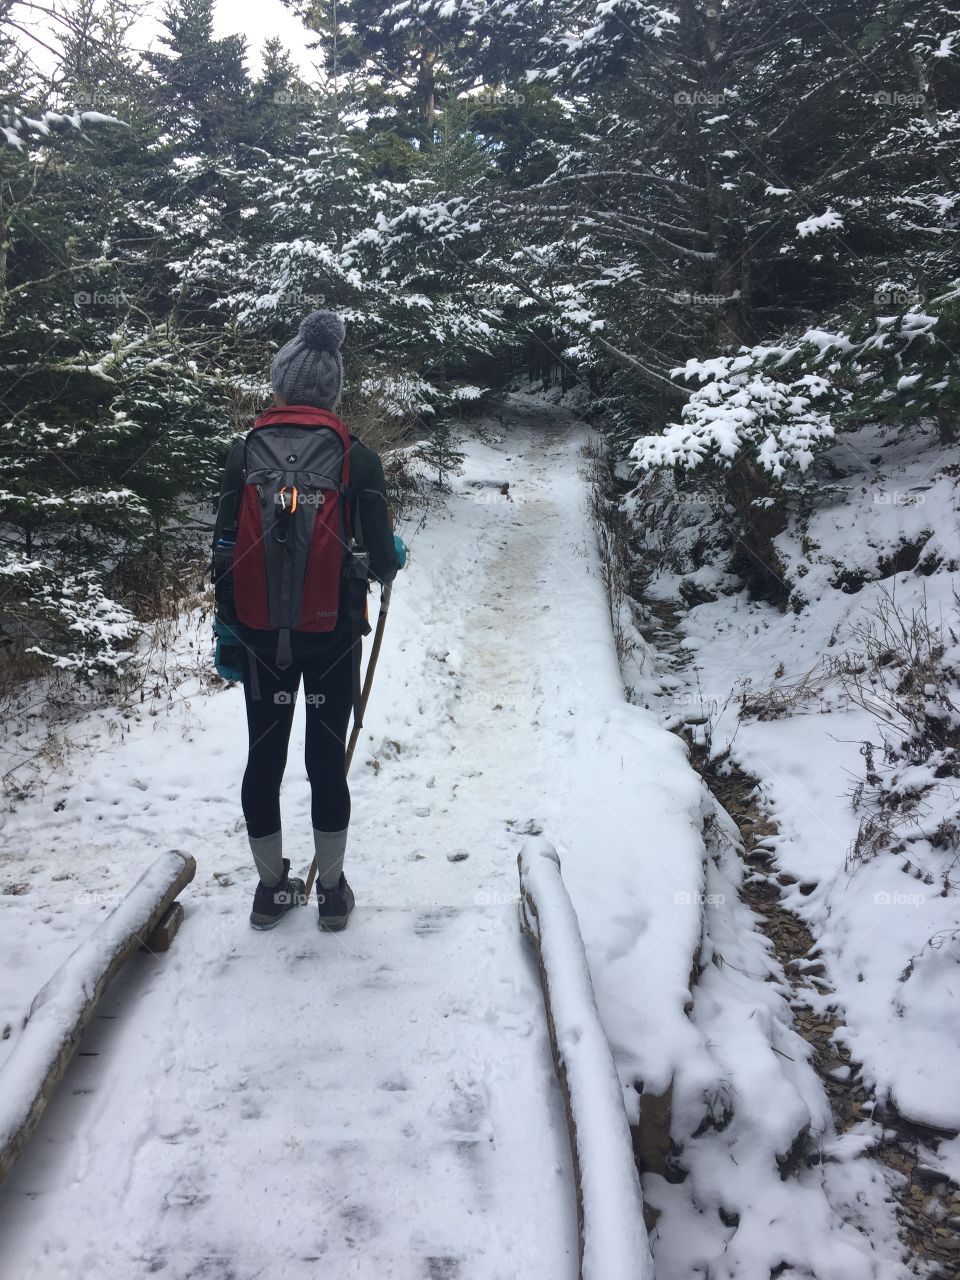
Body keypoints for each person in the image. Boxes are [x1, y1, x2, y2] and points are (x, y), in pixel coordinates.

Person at [212, 310, 405, 933]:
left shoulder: (242, 452)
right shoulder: (357, 458)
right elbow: (379, 559)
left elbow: (222, 551)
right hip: (333, 635)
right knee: (325, 757)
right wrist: (392, 557)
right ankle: (330, 892)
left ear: (281, 383)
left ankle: (271, 890)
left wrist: (229, 631)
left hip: (263, 634)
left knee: (262, 757)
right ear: (332, 391)